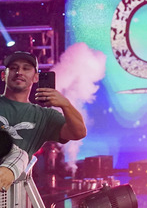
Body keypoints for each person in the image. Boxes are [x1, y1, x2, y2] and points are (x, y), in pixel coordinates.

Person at [0, 51, 87, 190]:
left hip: (12, 194)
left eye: (26, 68)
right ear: (4, 75)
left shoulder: (44, 116)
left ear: (35, 77)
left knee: (20, 155)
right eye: (14, 68)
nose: (19, 72)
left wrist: (66, 105)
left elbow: (79, 132)